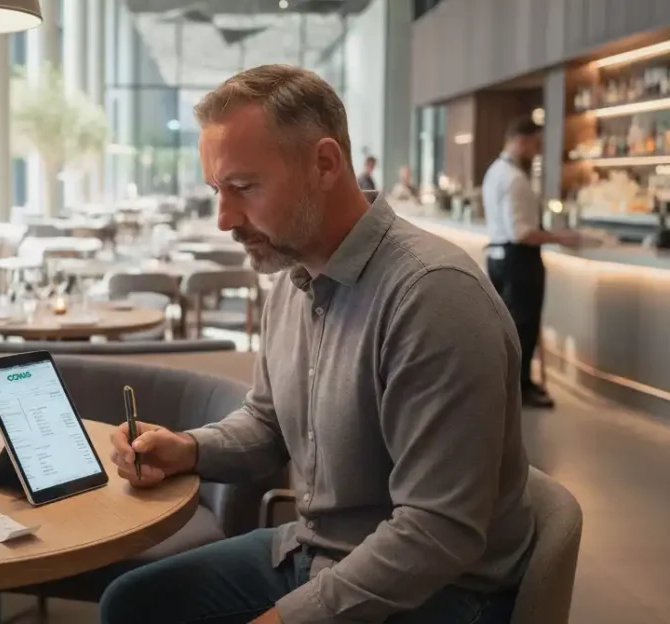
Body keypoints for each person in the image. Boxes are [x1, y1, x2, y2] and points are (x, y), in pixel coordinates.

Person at [100, 64, 535, 624]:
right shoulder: (293, 277)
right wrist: (189, 449)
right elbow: (267, 423)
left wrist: (287, 619)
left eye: (243, 187)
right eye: (216, 191)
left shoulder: (433, 297)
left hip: (438, 592)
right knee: (132, 605)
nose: (224, 219)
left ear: (325, 164)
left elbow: (437, 532)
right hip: (314, 553)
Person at [482, 117, 580, 410]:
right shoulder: (515, 179)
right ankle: (521, 386)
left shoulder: (494, 171)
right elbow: (522, 233)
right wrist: (560, 237)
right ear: (521, 140)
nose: (537, 151)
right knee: (522, 326)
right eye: (535, 144)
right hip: (518, 260)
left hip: (497, 258)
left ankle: (507, 382)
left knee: (505, 326)